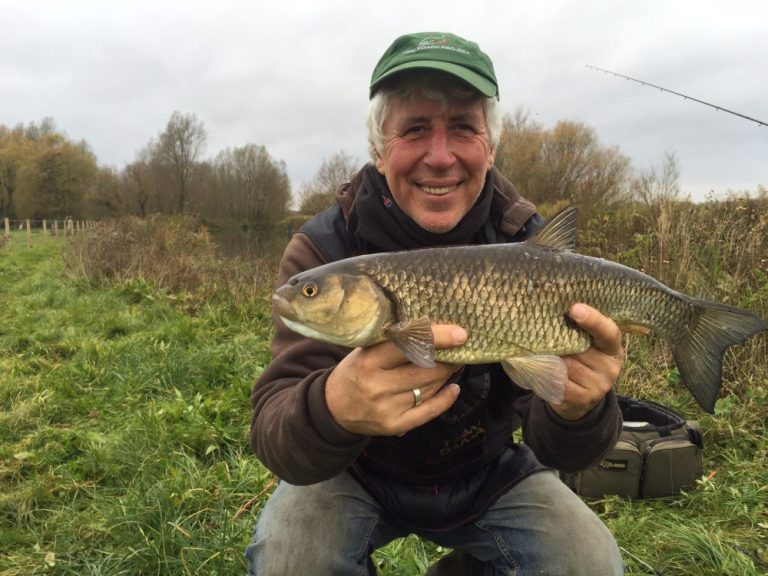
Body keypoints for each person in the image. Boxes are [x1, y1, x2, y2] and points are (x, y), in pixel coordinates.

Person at [246, 31, 625, 575]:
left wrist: (580, 408)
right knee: (290, 559)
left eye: (464, 129)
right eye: (416, 129)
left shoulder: (531, 247)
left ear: (490, 147)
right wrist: (333, 408)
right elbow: (274, 433)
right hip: (356, 470)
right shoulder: (324, 250)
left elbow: (564, 450)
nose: (441, 157)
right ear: (379, 150)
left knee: (589, 562)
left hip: (489, 470)